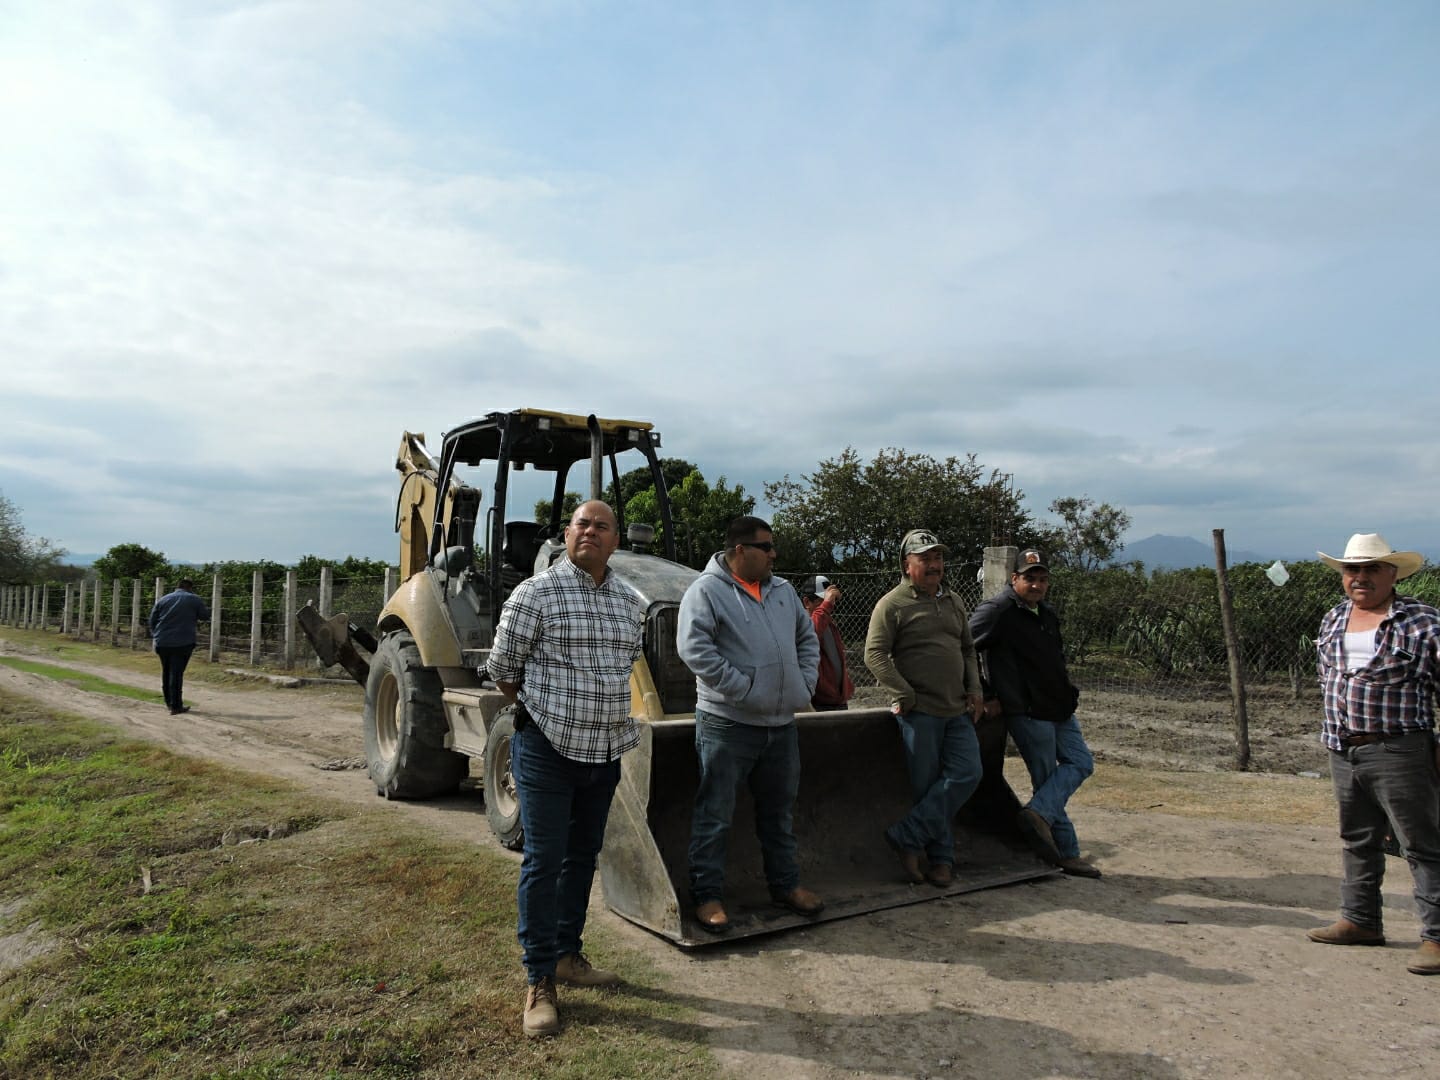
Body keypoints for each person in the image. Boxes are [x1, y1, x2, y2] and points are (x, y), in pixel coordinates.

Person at [486, 500, 646, 1037]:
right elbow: (504, 670)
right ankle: (538, 980)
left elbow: (622, 670)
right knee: (544, 860)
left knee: (582, 858)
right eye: (583, 524)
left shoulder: (629, 602)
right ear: (567, 533)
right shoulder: (535, 594)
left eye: (602, 526)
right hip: (547, 751)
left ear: (615, 540)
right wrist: (547, 713)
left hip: (604, 753)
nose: (591, 532)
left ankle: (567, 955)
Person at [677, 515, 826, 933]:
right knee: (716, 814)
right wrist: (742, 688)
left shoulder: (782, 592)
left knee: (779, 813)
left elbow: (806, 640)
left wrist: (804, 684)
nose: (773, 554)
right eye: (766, 547)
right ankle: (707, 896)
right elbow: (694, 649)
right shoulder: (705, 592)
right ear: (740, 550)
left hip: (781, 726)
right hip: (728, 723)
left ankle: (785, 885)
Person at [1306, 532, 1440, 977]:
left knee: (1422, 844)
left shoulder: (1421, 622)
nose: (1359, 578)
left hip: (1400, 748)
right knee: (1357, 839)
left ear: (1392, 574)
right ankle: (1360, 920)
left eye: (1370, 569)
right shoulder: (1334, 618)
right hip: (1344, 749)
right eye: (1352, 570)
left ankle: (1437, 938)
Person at [864, 529, 984, 888]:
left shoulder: (954, 601)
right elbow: (875, 655)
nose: (934, 565)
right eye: (926, 559)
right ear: (907, 565)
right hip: (920, 714)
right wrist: (905, 692)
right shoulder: (893, 604)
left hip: (957, 710)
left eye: (938, 559)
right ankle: (941, 860)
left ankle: (907, 837)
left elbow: (967, 649)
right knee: (929, 787)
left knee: (967, 774)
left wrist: (974, 688)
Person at [970, 549, 1099, 878]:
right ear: (1014, 579)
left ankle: (1039, 814)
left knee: (1081, 763)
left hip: (1059, 708)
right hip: (1028, 713)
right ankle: (1067, 853)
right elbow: (964, 648)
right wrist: (985, 694)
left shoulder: (1046, 614)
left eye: (1042, 579)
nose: (1037, 585)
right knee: (1045, 779)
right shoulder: (998, 611)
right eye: (1030, 578)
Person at [148, 578, 209, 715]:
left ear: (177, 587)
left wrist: (156, 636)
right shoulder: (194, 599)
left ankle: (169, 702)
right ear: (190, 588)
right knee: (176, 673)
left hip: (163, 642)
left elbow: (152, 620)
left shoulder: (163, 599)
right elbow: (205, 616)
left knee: (166, 671)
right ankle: (176, 706)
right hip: (183, 641)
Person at [796, 575, 855, 711]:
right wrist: (826, 605)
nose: (829, 604)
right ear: (806, 602)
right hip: (818, 703)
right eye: (821, 600)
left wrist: (845, 687)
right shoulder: (802, 624)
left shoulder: (828, 623)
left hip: (837, 700)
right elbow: (809, 635)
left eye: (830, 600)